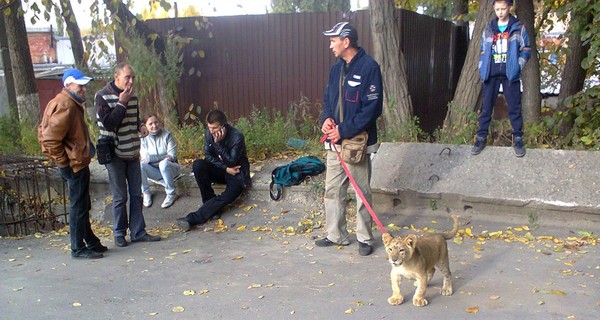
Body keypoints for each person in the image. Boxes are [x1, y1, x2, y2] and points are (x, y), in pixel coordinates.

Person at [315, 22, 383, 256]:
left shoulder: (369, 67)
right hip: (334, 142)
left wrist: (343, 130)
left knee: (361, 191)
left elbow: (372, 108)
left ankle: (364, 238)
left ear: (346, 41)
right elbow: (327, 98)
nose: (330, 44)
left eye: (333, 40)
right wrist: (325, 118)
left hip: (356, 143)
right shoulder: (336, 69)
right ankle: (336, 235)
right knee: (332, 190)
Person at [38, 68, 107, 259]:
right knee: (78, 206)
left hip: (75, 162)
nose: (84, 89)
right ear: (68, 84)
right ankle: (77, 248)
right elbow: (50, 139)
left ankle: (90, 241)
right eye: (80, 85)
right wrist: (63, 164)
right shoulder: (66, 104)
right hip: (73, 164)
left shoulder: (66, 102)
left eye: (84, 85)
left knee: (82, 204)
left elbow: (44, 132)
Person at [95, 63, 161, 247]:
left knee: (137, 194)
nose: (131, 81)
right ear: (117, 77)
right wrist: (122, 102)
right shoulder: (102, 96)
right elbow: (109, 124)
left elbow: (134, 119)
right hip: (114, 154)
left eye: (133, 77)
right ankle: (119, 233)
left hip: (132, 151)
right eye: (127, 77)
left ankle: (138, 231)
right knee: (120, 196)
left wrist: (140, 126)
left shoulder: (133, 96)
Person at [472, 0, 531, 157]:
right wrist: (481, 67)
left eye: (503, 8)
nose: (500, 12)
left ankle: (518, 139)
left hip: (510, 74)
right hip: (491, 74)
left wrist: (518, 65)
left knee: (514, 107)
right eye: (497, 9)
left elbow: (526, 49)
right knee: (486, 108)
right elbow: (483, 51)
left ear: (509, 7)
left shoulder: (518, 27)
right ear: (493, 9)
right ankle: (481, 138)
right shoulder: (489, 29)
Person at [176, 109, 251, 232]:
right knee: (198, 165)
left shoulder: (237, 136)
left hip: (237, 173)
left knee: (227, 196)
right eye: (209, 128)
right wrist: (225, 168)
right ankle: (211, 206)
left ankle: (192, 219)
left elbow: (232, 161)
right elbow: (208, 156)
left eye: (215, 128)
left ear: (223, 125)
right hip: (224, 169)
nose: (211, 131)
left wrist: (219, 145)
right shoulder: (208, 133)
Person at [140, 114, 180, 209]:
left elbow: (172, 156)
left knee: (164, 163)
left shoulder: (167, 135)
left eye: (156, 122)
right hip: (155, 172)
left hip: (171, 169)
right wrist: (163, 157)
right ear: (145, 126)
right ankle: (146, 192)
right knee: (141, 165)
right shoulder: (143, 139)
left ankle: (171, 193)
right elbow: (145, 159)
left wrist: (152, 159)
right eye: (150, 124)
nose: (154, 125)